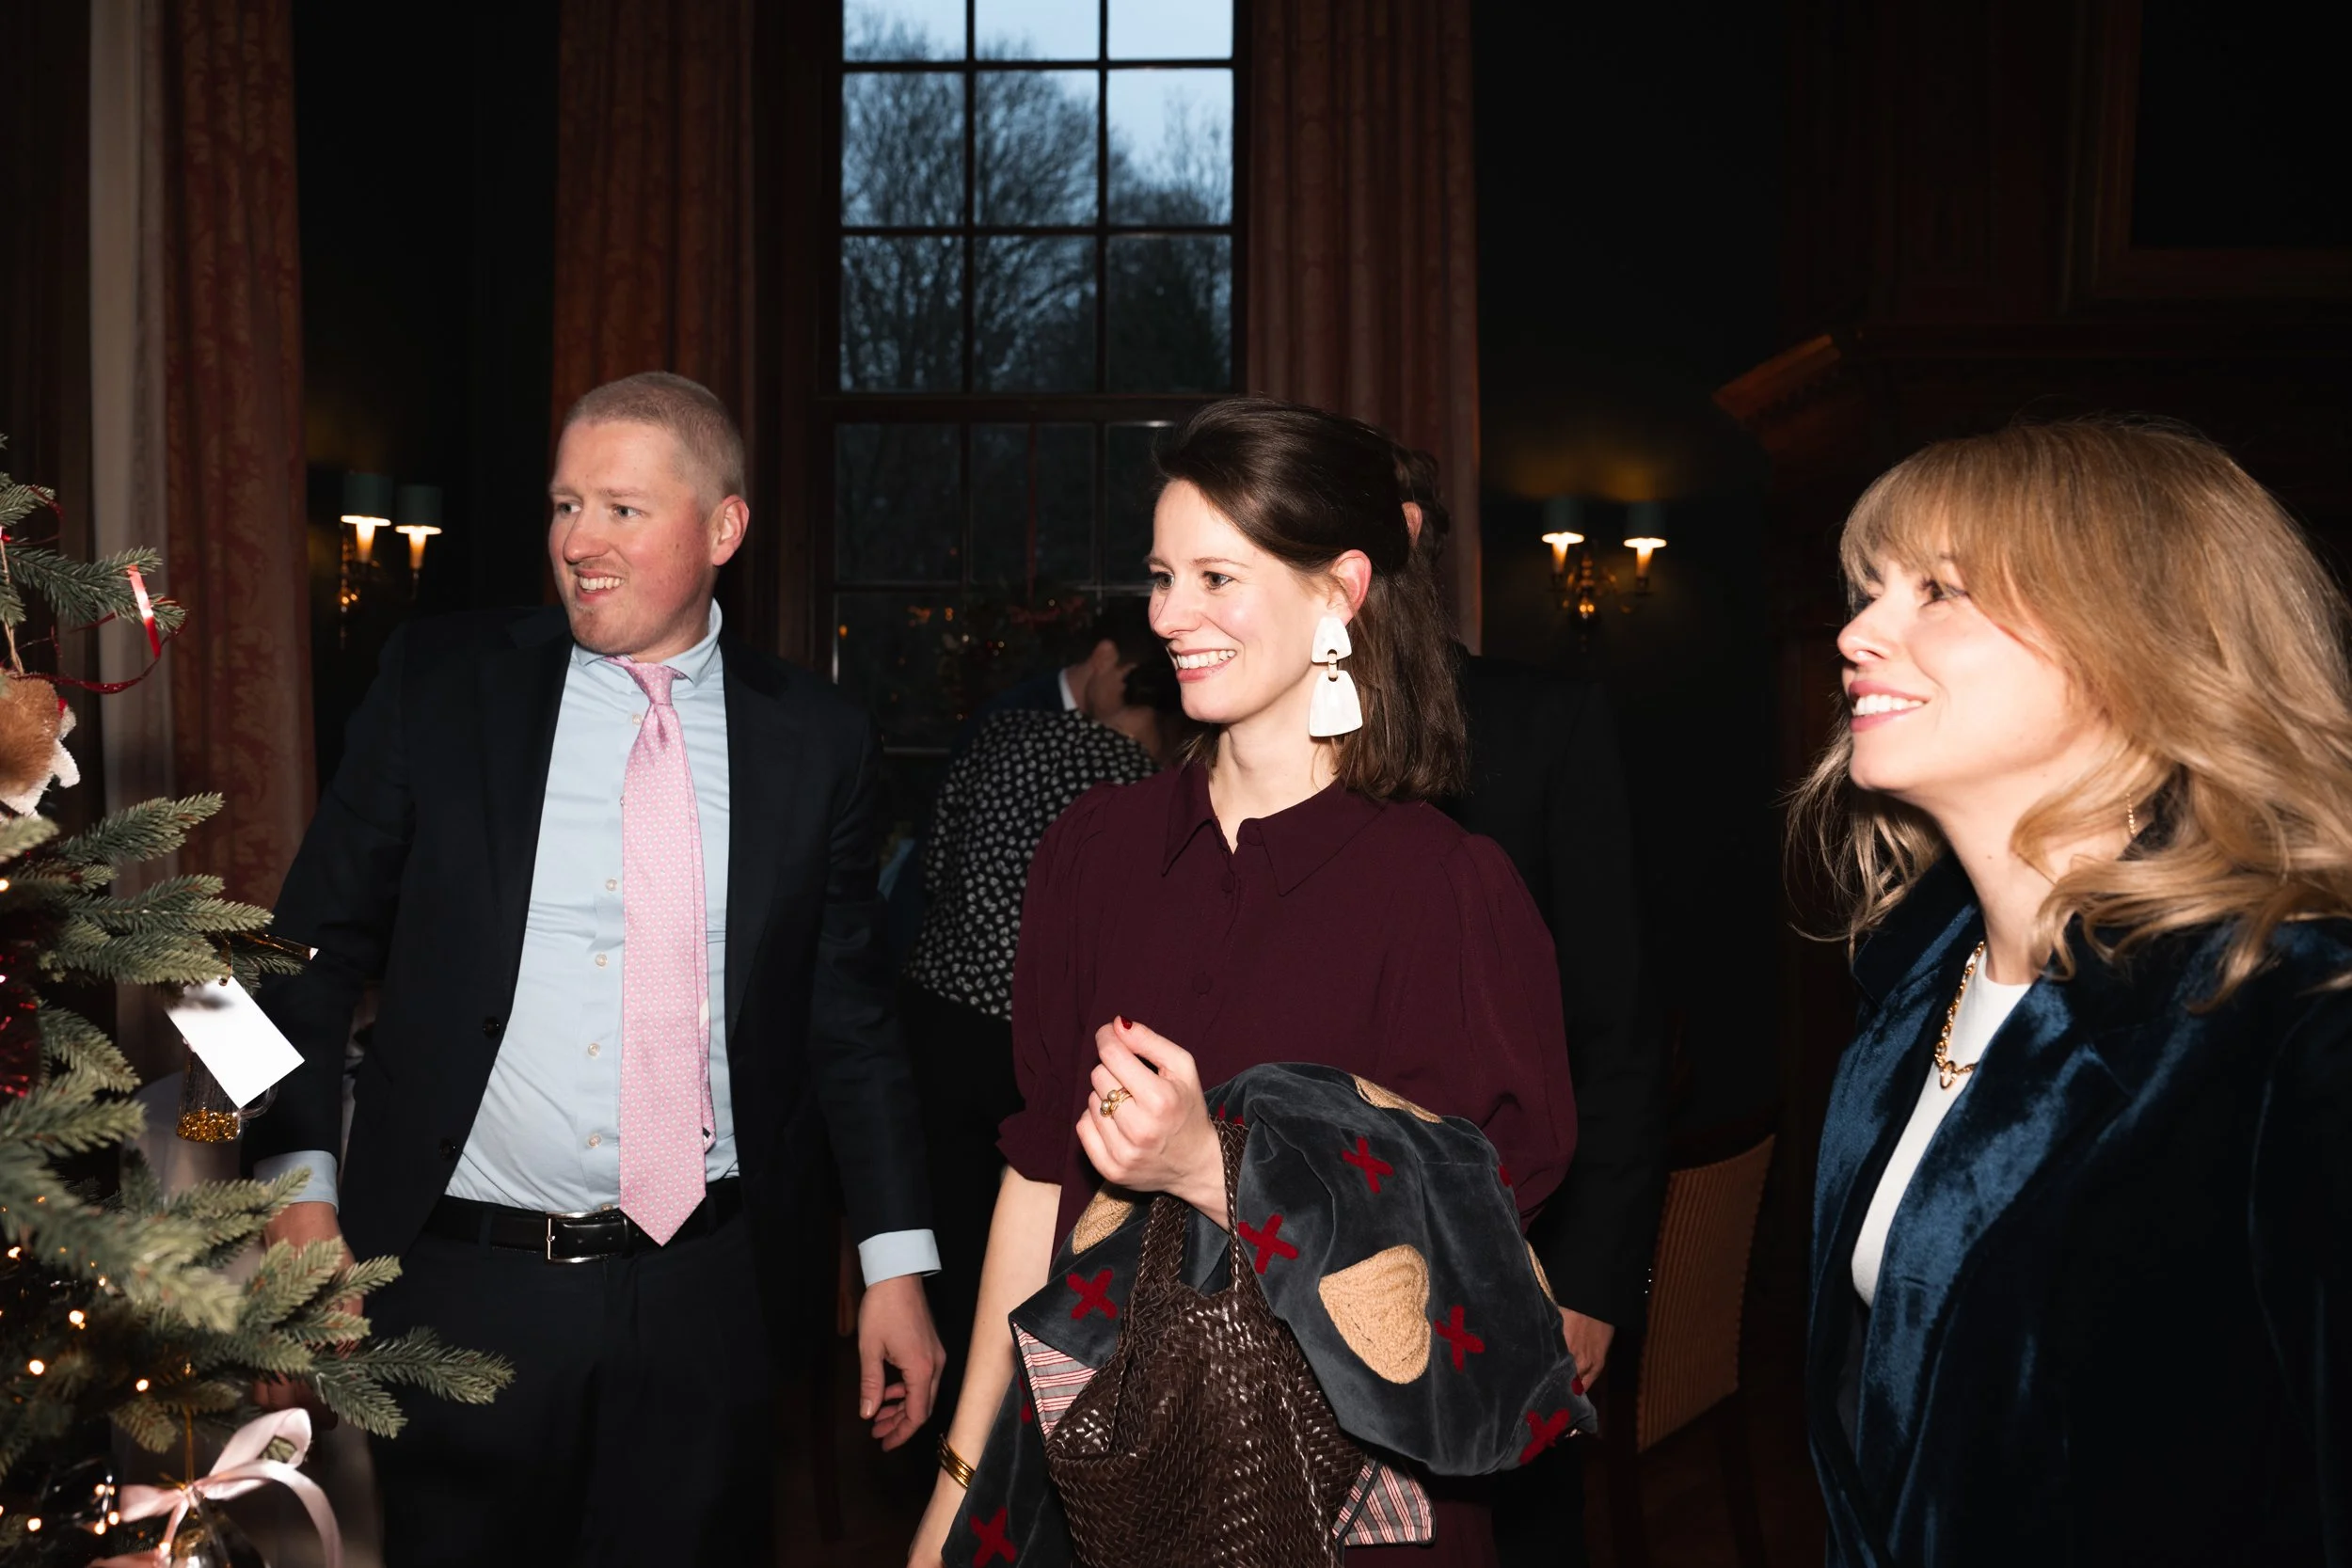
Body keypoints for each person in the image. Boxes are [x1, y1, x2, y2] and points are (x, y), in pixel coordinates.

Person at [246, 372, 945, 1567]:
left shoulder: (815, 739)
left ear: (722, 528)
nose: (579, 541)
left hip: (713, 1292)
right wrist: (297, 1186)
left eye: (622, 509)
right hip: (465, 1283)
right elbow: (297, 952)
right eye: (566, 505)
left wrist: (893, 1261)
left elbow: (850, 1021)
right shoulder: (443, 685)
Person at [910, 395, 1581, 1566]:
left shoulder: (1447, 891)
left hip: (1346, 1502)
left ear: (1340, 589)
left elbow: (1467, 1257)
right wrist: (961, 1491)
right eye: (1162, 576)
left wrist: (1212, 1169)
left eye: (1217, 577)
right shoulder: (1093, 853)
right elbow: (1038, 1183)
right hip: (1090, 1479)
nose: (1170, 615)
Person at [1794, 420, 2350, 1565]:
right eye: (1867, 590)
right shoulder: (1912, 991)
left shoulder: (2293, 1016)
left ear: (2137, 644)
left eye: (1935, 591)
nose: (1855, 632)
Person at [1400, 454, 1662, 1568]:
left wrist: (1594, 1277)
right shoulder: (1250, 742)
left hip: (1519, 1257)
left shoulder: (1541, 723)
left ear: (1398, 537)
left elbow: (1617, 1022)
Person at [900, 595, 1184, 1424]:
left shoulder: (1000, 733)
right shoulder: (1135, 786)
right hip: (1028, 1045)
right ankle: (1018, 1450)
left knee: (947, 1249)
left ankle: (941, 1437)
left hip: (935, 1019)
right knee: (1039, 1255)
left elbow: (932, 860)